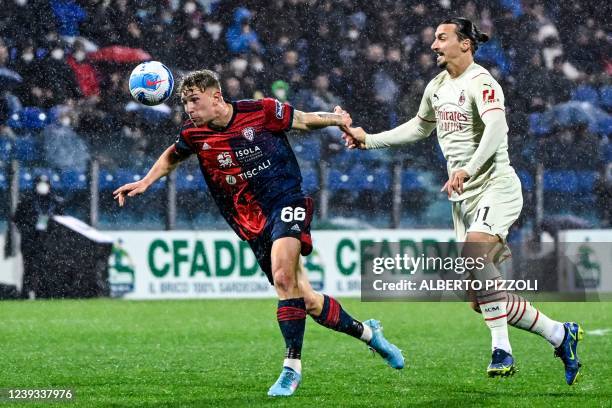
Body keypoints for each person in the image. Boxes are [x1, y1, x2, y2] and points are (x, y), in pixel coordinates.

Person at [113, 69, 404, 397]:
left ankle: (291, 368)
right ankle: (370, 335)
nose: (190, 109)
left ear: (217, 97)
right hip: (251, 222)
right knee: (305, 299)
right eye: (185, 103)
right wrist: (145, 182)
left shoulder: (261, 111)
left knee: (283, 278)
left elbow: (305, 120)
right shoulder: (194, 135)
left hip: (286, 200)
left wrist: (338, 120)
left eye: (195, 101)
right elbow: (172, 155)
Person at [340, 18, 583, 385]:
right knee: (477, 298)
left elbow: (497, 128)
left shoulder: (482, 82)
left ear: (465, 44)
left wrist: (468, 168)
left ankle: (502, 350)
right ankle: (560, 335)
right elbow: (420, 126)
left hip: (495, 185)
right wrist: (369, 139)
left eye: (442, 38)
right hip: (463, 197)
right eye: (434, 40)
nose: (434, 45)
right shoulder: (437, 86)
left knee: (475, 254)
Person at [13, 174, 64, 299]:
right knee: (29, 267)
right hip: (30, 240)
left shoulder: (55, 202)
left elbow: (63, 221)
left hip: (48, 241)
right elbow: (17, 219)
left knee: (47, 267)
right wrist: (28, 230)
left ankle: (43, 292)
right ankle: (26, 292)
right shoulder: (26, 201)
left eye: (45, 183)